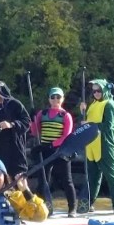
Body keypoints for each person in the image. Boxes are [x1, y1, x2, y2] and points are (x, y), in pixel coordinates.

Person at [30, 87, 77, 217]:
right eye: (53, 97)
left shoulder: (65, 116)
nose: (55, 99)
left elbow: (66, 136)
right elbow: (35, 132)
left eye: (58, 97)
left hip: (61, 151)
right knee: (43, 180)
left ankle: (72, 208)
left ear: (62, 99)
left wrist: (52, 145)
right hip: (45, 150)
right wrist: (32, 119)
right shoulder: (42, 113)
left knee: (66, 180)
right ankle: (41, 207)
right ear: (49, 99)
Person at [79, 78, 114, 213]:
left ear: (104, 90)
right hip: (91, 145)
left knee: (111, 175)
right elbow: (88, 121)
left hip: (105, 144)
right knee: (93, 177)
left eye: (99, 90)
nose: (96, 93)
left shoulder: (110, 105)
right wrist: (83, 112)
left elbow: (108, 127)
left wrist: (89, 125)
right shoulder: (92, 105)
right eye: (94, 91)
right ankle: (89, 203)